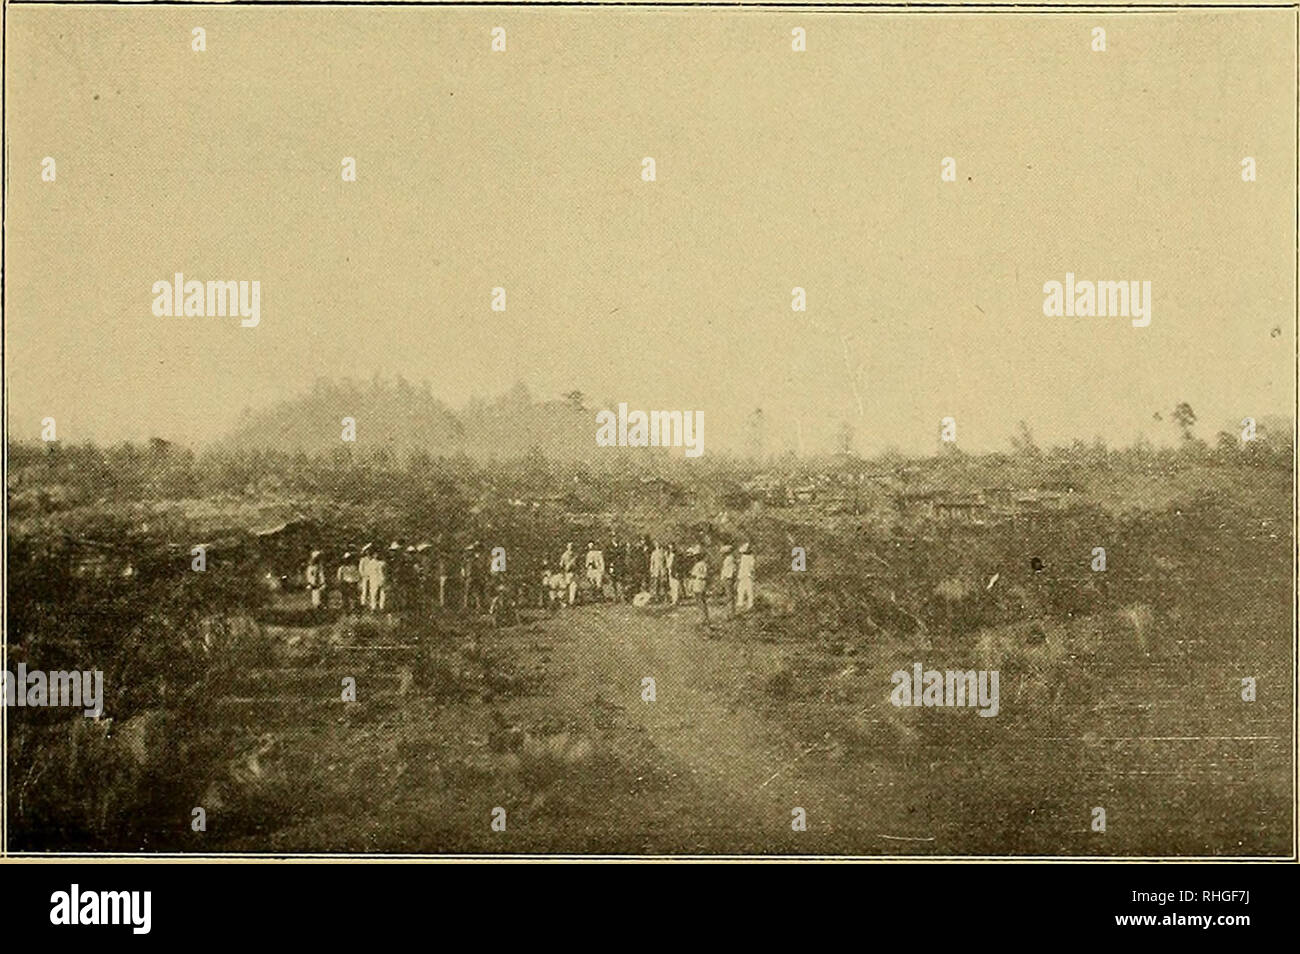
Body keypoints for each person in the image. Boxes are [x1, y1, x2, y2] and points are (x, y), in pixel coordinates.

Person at [689, 545, 710, 624]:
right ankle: (703, 617)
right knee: (700, 600)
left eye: (696, 556)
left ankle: (703, 617)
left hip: (699, 583)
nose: (695, 558)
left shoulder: (700, 564)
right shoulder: (701, 564)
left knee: (700, 600)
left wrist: (694, 576)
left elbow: (698, 575)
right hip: (699, 583)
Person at [736, 542, 756, 612]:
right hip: (744, 575)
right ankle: (741, 604)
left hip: (747, 575)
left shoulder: (750, 557)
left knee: (748, 590)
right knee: (741, 590)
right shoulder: (745, 557)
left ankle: (749, 605)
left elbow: (752, 567)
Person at [719, 544, 737, 618]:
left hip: (728, 578)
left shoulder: (729, 559)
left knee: (729, 596)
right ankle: (730, 613)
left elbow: (730, 570)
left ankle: (730, 613)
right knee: (729, 596)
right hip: (728, 578)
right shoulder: (729, 559)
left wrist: (725, 578)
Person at [358, 543, 374, 610]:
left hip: (373, 578)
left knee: (372, 591)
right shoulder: (363, 560)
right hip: (365, 578)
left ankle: (371, 605)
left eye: (370, 551)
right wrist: (364, 576)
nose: (369, 552)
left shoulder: (374, 559)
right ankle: (363, 604)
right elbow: (361, 570)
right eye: (367, 551)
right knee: (365, 591)